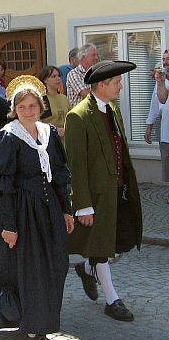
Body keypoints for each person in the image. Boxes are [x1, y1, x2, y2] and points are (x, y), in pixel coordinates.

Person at [0, 78, 74, 340]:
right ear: (14, 109)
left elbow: (59, 176)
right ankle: (35, 329)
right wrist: (8, 226)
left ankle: (38, 319)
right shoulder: (7, 137)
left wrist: (66, 209)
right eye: (22, 106)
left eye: (33, 105)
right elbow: (3, 188)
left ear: (41, 106)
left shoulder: (49, 134)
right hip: (21, 212)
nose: (28, 110)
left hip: (48, 211)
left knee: (55, 264)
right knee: (31, 270)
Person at [65, 60, 143, 322]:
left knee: (123, 240)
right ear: (101, 85)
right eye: (117, 82)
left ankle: (87, 268)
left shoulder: (113, 109)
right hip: (96, 196)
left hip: (118, 191)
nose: (120, 86)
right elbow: (76, 164)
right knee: (101, 247)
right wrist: (82, 205)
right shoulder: (78, 116)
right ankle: (112, 299)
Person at [145, 50, 169, 186]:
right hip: (166, 128)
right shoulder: (161, 79)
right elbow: (158, 101)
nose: (165, 62)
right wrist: (149, 125)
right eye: (164, 59)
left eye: (168, 59)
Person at [39, 66, 71, 138]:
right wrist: (55, 130)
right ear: (45, 80)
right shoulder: (42, 99)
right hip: (49, 139)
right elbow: (38, 123)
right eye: (54, 76)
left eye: (59, 76)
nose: (58, 79)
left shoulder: (64, 98)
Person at [67, 43, 99, 107]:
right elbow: (85, 94)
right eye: (93, 55)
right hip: (79, 115)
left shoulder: (95, 72)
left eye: (97, 55)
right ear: (83, 57)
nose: (96, 58)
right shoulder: (74, 73)